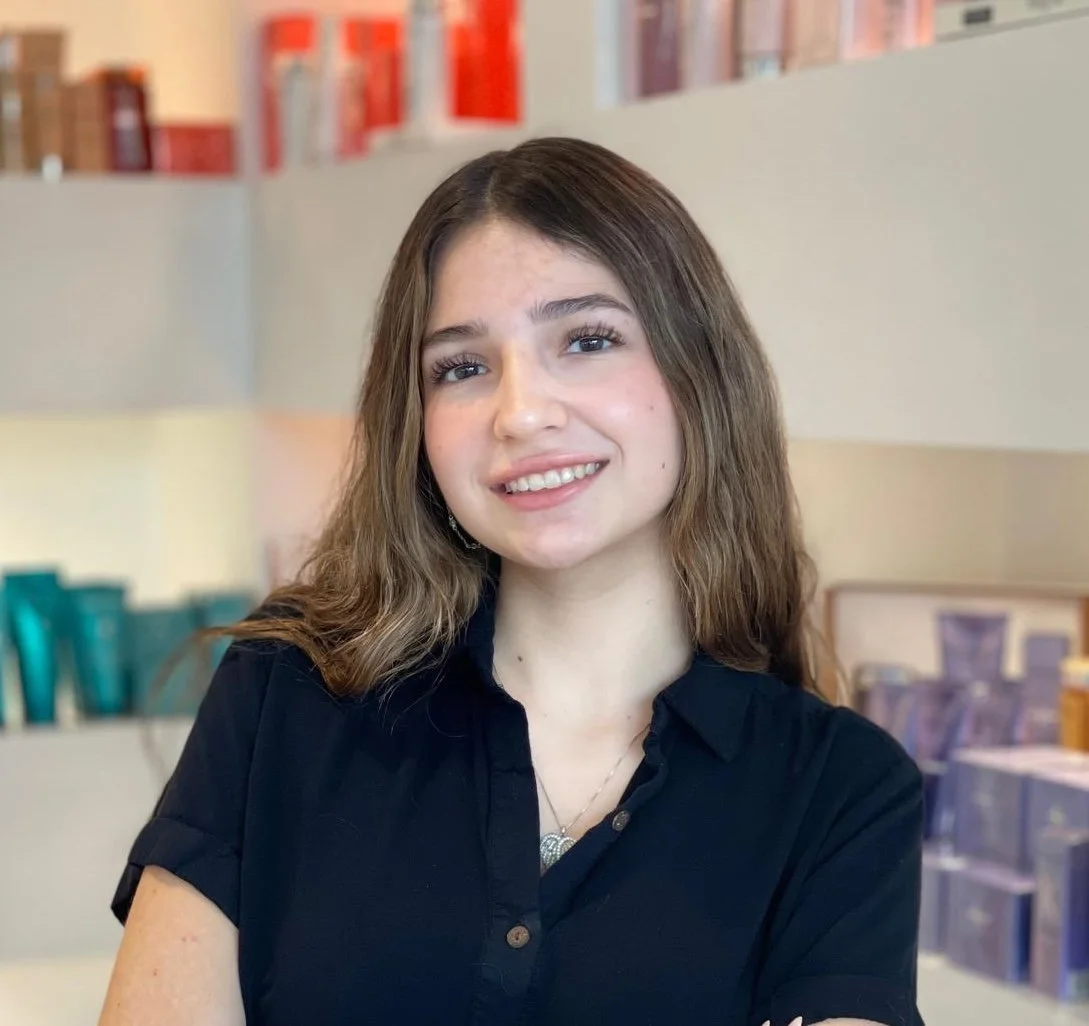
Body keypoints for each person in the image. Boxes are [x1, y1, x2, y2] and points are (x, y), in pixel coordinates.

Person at [98, 137, 923, 1026]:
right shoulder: (285, 689)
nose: (521, 412)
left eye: (587, 339)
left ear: (700, 377)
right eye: (462, 367)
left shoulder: (840, 790)